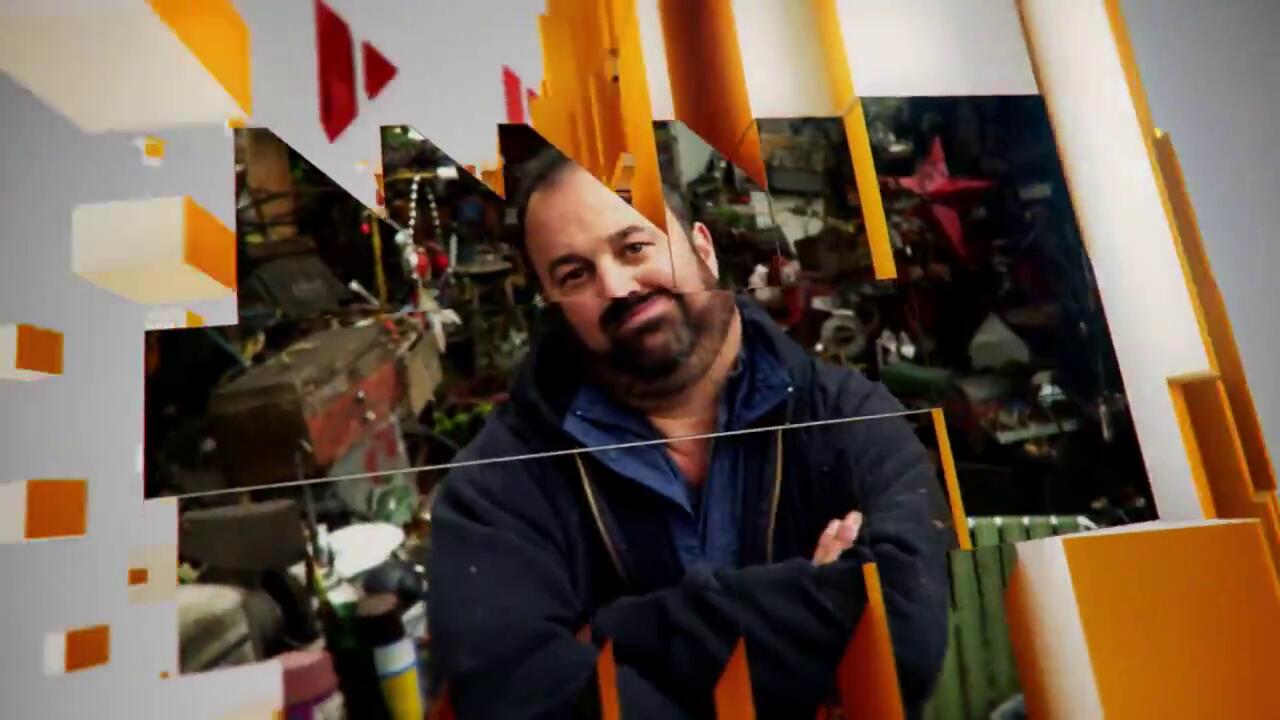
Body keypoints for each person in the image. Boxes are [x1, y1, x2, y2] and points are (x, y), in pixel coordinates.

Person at [428, 148, 948, 719]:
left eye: (634, 247)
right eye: (575, 274)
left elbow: (902, 631)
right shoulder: (496, 485)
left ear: (702, 246)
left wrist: (608, 636)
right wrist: (810, 628)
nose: (617, 286)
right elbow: (512, 691)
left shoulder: (848, 418)